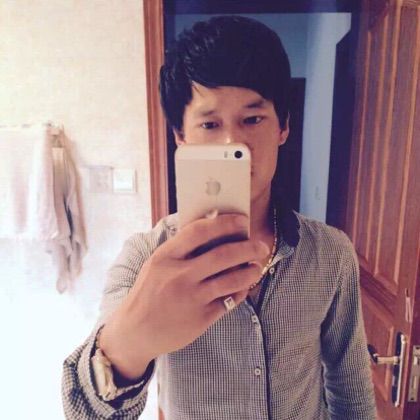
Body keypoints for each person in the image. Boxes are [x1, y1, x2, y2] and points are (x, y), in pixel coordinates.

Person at [62, 15, 377, 419]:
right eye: (210, 124)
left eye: (253, 119)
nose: (233, 142)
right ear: (181, 136)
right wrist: (128, 345)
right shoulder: (147, 259)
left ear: (283, 126)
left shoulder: (331, 253)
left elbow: (352, 393)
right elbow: (85, 412)